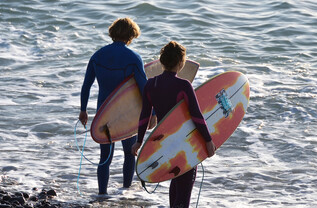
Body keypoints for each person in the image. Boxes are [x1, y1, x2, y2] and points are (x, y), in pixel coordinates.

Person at [131, 41, 216, 208]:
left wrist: (139, 141)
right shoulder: (184, 85)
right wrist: (208, 140)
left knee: (176, 180)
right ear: (180, 62)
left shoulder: (151, 84)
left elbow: (144, 116)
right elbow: (197, 116)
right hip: (184, 144)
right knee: (184, 189)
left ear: (162, 61)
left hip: (165, 144)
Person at [79, 17, 147, 195]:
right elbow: (144, 89)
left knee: (105, 157)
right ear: (131, 35)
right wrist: (152, 112)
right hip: (127, 114)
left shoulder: (97, 55)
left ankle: (102, 194)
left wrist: (83, 110)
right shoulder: (134, 58)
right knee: (129, 152)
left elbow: (86, 85)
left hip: (104, 112)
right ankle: (125, 191)